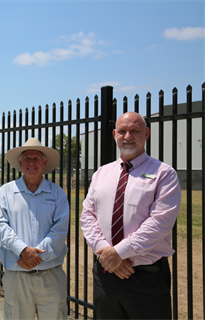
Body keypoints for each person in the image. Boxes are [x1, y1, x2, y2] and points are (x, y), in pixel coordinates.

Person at [80, 111, 181, 320]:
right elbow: (87, 216)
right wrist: (108, 255)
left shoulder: (164, 173)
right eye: (123, 131)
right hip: (106, 274)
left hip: (146, 279)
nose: (128, 136)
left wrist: (119, 253)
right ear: (115, 134)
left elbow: (160, 222)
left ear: (146, 134)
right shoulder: (101, 173)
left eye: (134, 131)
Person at [0, 137, 69, 320]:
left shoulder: (57, 193)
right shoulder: (6, 192)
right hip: (17, 276)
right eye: (27, 158)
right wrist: (23, 250)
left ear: (44, 162)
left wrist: (35, 257)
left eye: (36, 158)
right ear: (20, 162)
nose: (31, 163)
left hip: (50, 275)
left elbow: (59, 230)